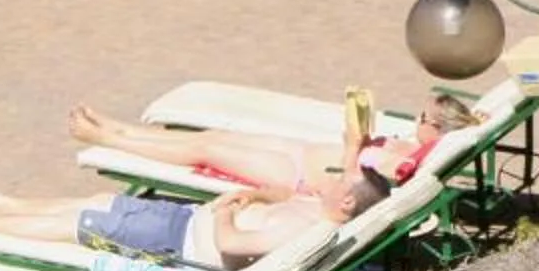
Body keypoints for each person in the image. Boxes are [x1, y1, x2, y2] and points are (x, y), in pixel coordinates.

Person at [67, 93, 475, 200]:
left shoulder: (401, 170)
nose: (415, 122)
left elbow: (352, 186)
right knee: (213, 138)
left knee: (206, 152)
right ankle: (117, 129)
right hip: (299, 152)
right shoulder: (412, 152)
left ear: (436, 130)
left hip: (296, 178)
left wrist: (354, 146)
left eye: (422, 119)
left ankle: (103, 138)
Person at [0, 175, 354, 271]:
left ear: (349, 202)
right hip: (184, 220)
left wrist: (224, 210)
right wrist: (256, 196)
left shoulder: (304, 232)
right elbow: (286, 193)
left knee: (79, 224)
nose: (331, 182)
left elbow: (230, 245)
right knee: (98, 201)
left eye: (342, 183)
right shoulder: (316, 209)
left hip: (177, 240)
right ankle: (4, 206)